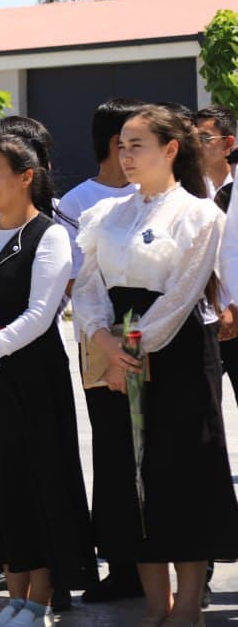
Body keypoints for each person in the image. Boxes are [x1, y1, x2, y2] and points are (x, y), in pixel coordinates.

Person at [73, 105, 238, 626]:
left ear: (170, 149)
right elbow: (89, 287)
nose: (125, 155)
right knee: (128, 474)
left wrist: (136, 348)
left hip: (178, 356)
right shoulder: (105, 215)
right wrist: (106, 343)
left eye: (137, 145)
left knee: (182, 473)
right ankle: (155, 604)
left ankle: (188, 605)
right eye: (121, 145)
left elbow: (184, 294)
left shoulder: (200, 214)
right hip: (118, 349)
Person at [0, 127, 97, 627]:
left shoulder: (49, 235)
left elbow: (40, 313)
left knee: (34, 482)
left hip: (29, 380)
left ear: (26, 177)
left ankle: (39, 598)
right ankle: (13, 597)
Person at [50, 98, 146, 604]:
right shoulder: (77, 203)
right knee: (113, 452)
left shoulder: (163, 195)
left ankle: (178, 554)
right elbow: (74, 282)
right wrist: (108, 340)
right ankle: (124, 564)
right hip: (101, 340)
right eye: (129, 141)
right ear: (115, 144)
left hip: (158, 336)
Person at [194, 105, 236, 199]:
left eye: (204, 138)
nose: (196, 145)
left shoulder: (235, 187)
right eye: (192, 138)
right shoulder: (192, 189)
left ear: (228, 144)